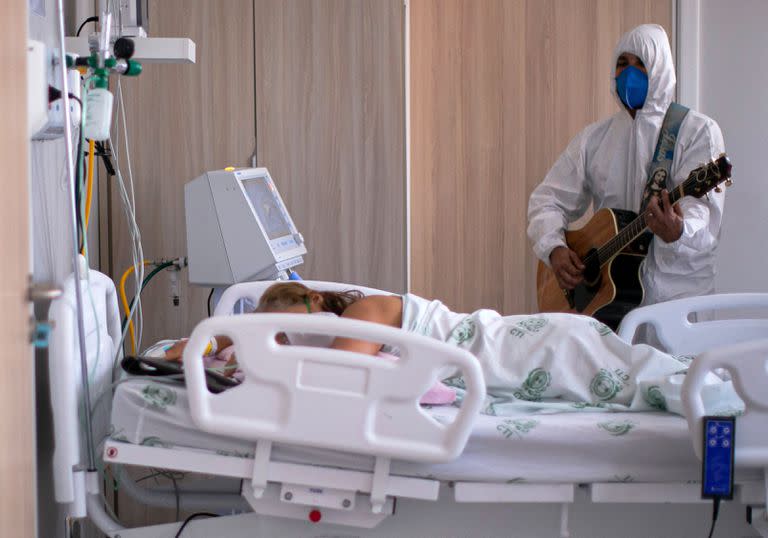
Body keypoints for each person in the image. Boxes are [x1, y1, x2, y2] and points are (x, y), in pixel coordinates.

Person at [165, 282, 739, 415]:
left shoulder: (362, 315)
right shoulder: (349, 324)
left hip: (525, 347)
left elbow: (334, 373)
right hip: (524, 349)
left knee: (646, 379)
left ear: (313, 301)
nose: (281, 341)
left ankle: (728, 386)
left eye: (282, 326)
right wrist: (211, 348)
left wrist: (231, 347)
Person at [527, 24, 726, 307]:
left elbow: (703, 220)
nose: (629, 73)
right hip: (607, 306)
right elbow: (546, 200)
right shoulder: (594, 139)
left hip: (677, 306)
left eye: (641, 64)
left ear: (660, 70)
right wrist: (554, 249)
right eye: (622, 63)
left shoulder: (697, 132)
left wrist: (679, 231)